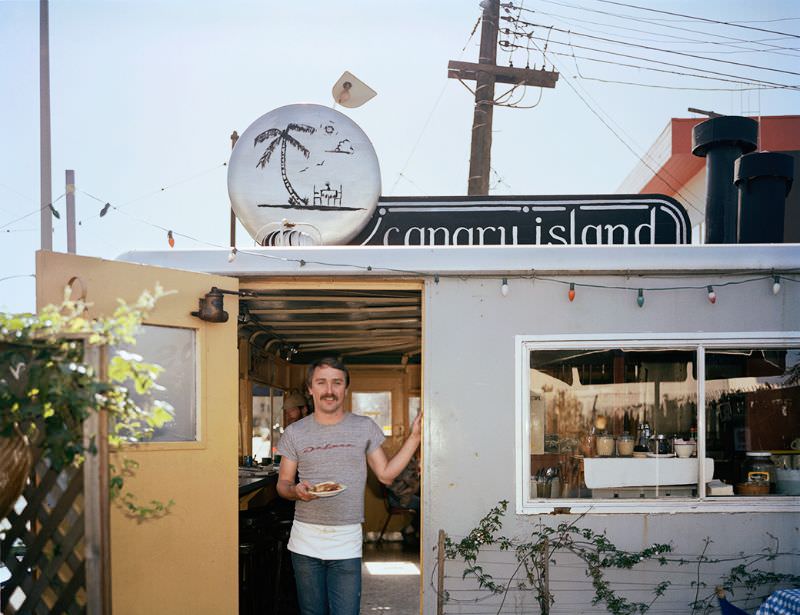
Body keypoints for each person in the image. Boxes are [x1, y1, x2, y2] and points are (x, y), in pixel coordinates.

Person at [276, 357, 422, 615]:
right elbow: (283, 484)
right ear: (310, 388)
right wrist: (295, 490)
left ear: (345, 388)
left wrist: (414, 438)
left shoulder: (364, 427)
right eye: (321, 383)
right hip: (305, 541)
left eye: (336, 383)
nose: (329, 390)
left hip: (346, 540)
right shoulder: (295, 433)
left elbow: (386, 475)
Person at [387, 454, 420, 542]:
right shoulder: (406, 458)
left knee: (423, 502)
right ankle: (411, 529)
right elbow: (408, 481)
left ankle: (412, 529)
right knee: (424, 504)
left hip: (396, 496)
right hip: (399, 498)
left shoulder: (397, 457)